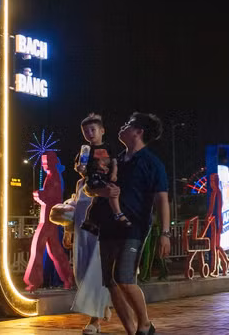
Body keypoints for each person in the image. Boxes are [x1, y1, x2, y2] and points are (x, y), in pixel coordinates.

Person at [89, 112, 170, 335]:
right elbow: (93, 187)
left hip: (133, 227)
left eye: (128, 124)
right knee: (110, 282)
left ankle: (145, 323)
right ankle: (132, 331)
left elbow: (162, 199)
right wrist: (101, 190)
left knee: (123, 276)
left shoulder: (152, 164)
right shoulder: (115, 160)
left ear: (138, 132)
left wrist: (165, 233)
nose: (122, 126)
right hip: (108, 224)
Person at [69, 177, 111, 334]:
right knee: (80, 273)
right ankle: (103, 306)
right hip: (81, 235)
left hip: (97, 234)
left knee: (95, 274)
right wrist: (67, 229)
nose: (81, 164)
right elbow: (76, 206)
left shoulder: (103, 181)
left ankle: (94, 320)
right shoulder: (80, 183)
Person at [76, 113, 125, 235]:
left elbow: (114, 162)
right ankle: (118, 214)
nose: (90, 134)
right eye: (86, 132)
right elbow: (80, 167)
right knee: (109, 192)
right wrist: (80, 169)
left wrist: (114, 174)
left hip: (106, 178)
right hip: (94, 178)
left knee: (97, 201)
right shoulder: (85, 150)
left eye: (93, 130)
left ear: (102, 131)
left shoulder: (109, 147)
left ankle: (89, 221)